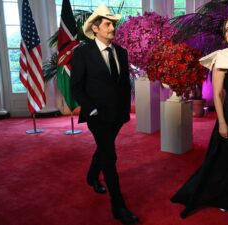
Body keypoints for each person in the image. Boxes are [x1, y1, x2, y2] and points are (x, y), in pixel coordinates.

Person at [171, 16, 228, 218]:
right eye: (227, 29)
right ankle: (223, 196)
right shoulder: (222, 57)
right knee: (227, 160)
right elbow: (218, 94)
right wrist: (221, 122)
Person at [70, 5, 138, 225]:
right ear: (96, 28)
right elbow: (77, 86)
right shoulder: (82, 53)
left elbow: (123, 86)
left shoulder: (121, 52)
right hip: (97, 116)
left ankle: (91, 176)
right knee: (110, 156)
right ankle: (118, 206)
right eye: (108, 24)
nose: (112, 27)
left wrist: (125, 110)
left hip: (117, 115)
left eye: (113, 24)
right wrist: (91, 109)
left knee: (104, 148)